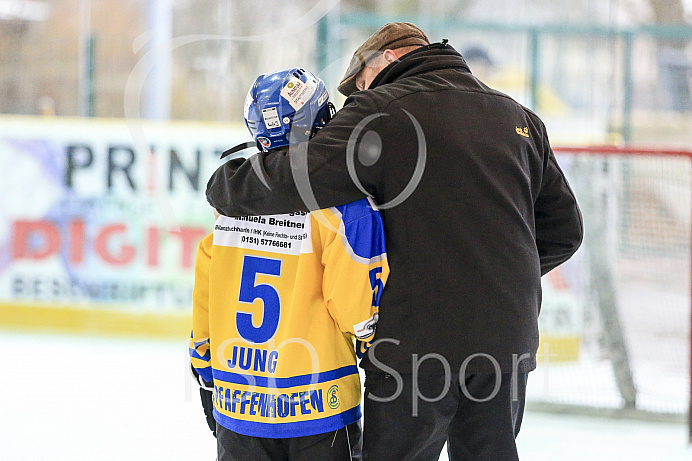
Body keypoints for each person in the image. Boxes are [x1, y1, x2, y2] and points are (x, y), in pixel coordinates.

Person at [206, 23, 583, 461]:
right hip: (505, 343)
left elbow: (301, 176)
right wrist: (495, 276)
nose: (357, 95)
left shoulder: (382, 110)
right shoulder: (518, 117)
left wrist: (225, 185)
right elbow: (565, 230)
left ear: (386, 59)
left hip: (416, 345)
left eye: (360, 83)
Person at [190, 67, 389, 461]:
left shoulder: (231, 206)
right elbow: (356, 309)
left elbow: (206, 300)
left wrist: (204, 370)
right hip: (320, 409)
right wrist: (376, 351)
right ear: (323, 120)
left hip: (238, 405)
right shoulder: (345, 207)